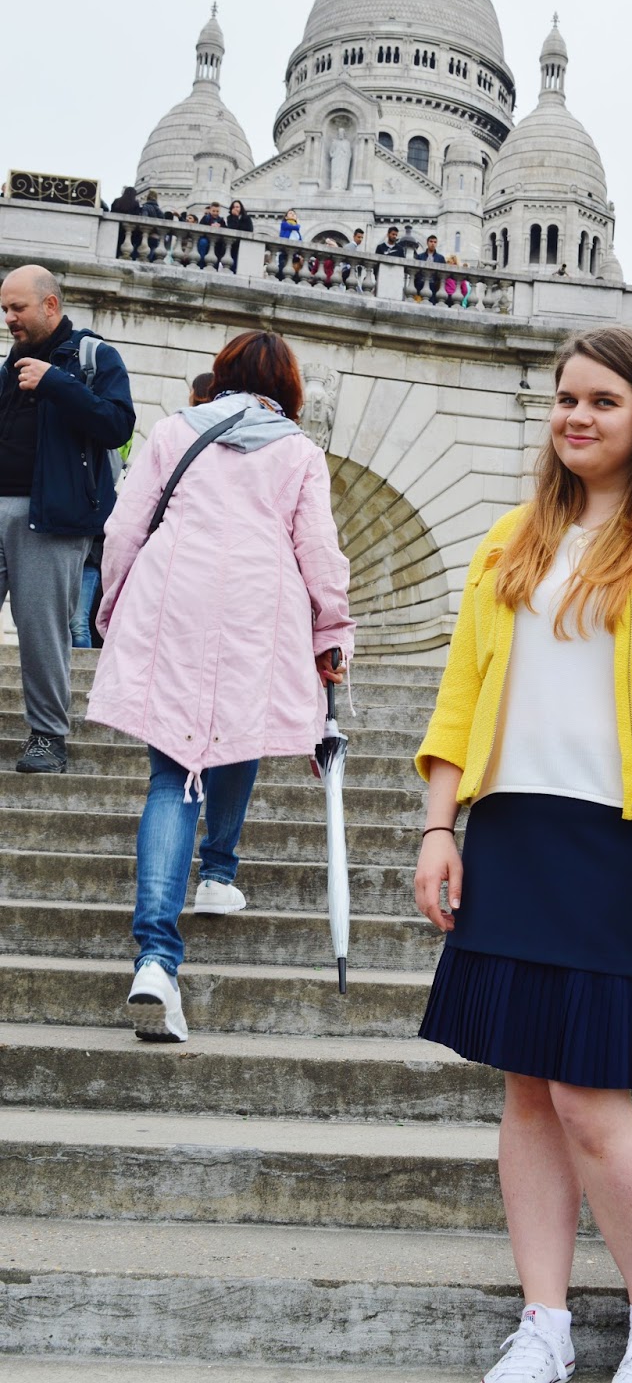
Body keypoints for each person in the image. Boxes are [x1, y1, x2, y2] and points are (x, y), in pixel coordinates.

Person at [413, 325, 632, 1383]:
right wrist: (438, 825)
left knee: (588, 1096)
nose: (576, 415)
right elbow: (462, 692)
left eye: (603, 400)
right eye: (566, 397)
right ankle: (545, 1326)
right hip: (512, 830)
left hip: (623, 841)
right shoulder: (509, 538)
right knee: (526, 1090)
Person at [87, 331, 354, 1044]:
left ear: (222, 373)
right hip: (259, 605)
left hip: (173, 593)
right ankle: (217, 872)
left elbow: (124, 527)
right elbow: (319, 551)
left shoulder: (174, 430)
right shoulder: (299, 452)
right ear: (289, 388)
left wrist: (113, 606)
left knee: (171, 776)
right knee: (242, 727)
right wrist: (332, 630)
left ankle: (155, 958)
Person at [0, 265, 135, 773]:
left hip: (51, 517)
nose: (9, 318)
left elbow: (118, 424)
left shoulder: (92, 357)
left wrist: (56, 383)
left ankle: (48, 737)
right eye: (5, 309)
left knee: (42, 631)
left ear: (50, 305)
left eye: (17, 308)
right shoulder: (10, 363)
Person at [414, 233, 445, 302]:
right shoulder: (420, 256)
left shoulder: (440, 258)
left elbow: (443, 274)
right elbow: (416, 272)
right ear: (427, 243)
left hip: (433, 286)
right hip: (420, 284)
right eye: (431, 241)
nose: (433, 244)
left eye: (435, 242)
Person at [198, 201, 226, 269]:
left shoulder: (221, 220)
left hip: (217, 242)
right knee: (203, 242)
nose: (215, 213)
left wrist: (220, 227)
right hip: (206, 239)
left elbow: (226, 229)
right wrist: (210, 226)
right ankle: (201, 264)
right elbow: (200, 227)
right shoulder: (205, 218)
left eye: (217, 211)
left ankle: (215, 267)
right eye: (213, 211)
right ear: (210, 210)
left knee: (219, 248)